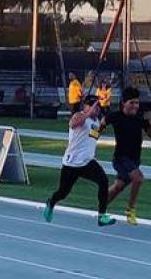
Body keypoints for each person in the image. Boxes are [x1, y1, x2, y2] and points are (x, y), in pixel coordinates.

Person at [43, 93, 116, 228]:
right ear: (85, 106)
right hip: (71, 163)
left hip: (87, 162)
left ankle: (102, 216)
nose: (96, 108)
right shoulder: (78, 116)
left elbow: (93, 138)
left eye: (98, 106)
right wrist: (87, 114)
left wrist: (92, 152)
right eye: (93, 105)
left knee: (104, 181)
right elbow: (74, 124)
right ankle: (51, 202)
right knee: (63, 193)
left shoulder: (96, 122)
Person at [100, 86, 151, 225]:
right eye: (132, 102)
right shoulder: (115, 116)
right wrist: (92, 136)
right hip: (120, 158)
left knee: (118, 187)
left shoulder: (140, 117)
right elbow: (102, 124)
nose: (135, 106)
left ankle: (100, 209)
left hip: (135, 160)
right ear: (123, 103)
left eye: (137, 103)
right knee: (138, 178)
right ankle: (130, 210)